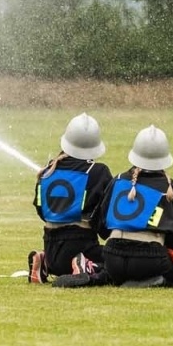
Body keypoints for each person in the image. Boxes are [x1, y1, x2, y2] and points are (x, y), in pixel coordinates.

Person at [97, 125, 173, 289]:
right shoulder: (169, 188)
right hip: (150, 260)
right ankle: (155, 280)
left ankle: (114, 276)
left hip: (112, 257)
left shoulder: (118, 180)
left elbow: (102, 226)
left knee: (112, 267)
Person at [28, 113, 113, 284]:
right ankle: (85, 265)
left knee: (58, 260)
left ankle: (44, 262)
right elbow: (105, 214)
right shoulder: (98, 171)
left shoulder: (48, 170)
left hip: (50, 245)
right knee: (115, 262)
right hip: (81, 246)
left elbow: (41, 211)